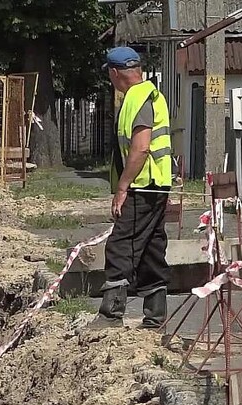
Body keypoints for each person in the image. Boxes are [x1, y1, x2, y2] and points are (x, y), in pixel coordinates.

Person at [89, 47, 173, 330]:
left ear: (114, 73)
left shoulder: (137, 99)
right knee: (150, 247)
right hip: (155, 185)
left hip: (143, 186)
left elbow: (140, 148)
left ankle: (111, 314)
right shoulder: (149, 94)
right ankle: (155, 317)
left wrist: (122, 188)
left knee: (121, 246)